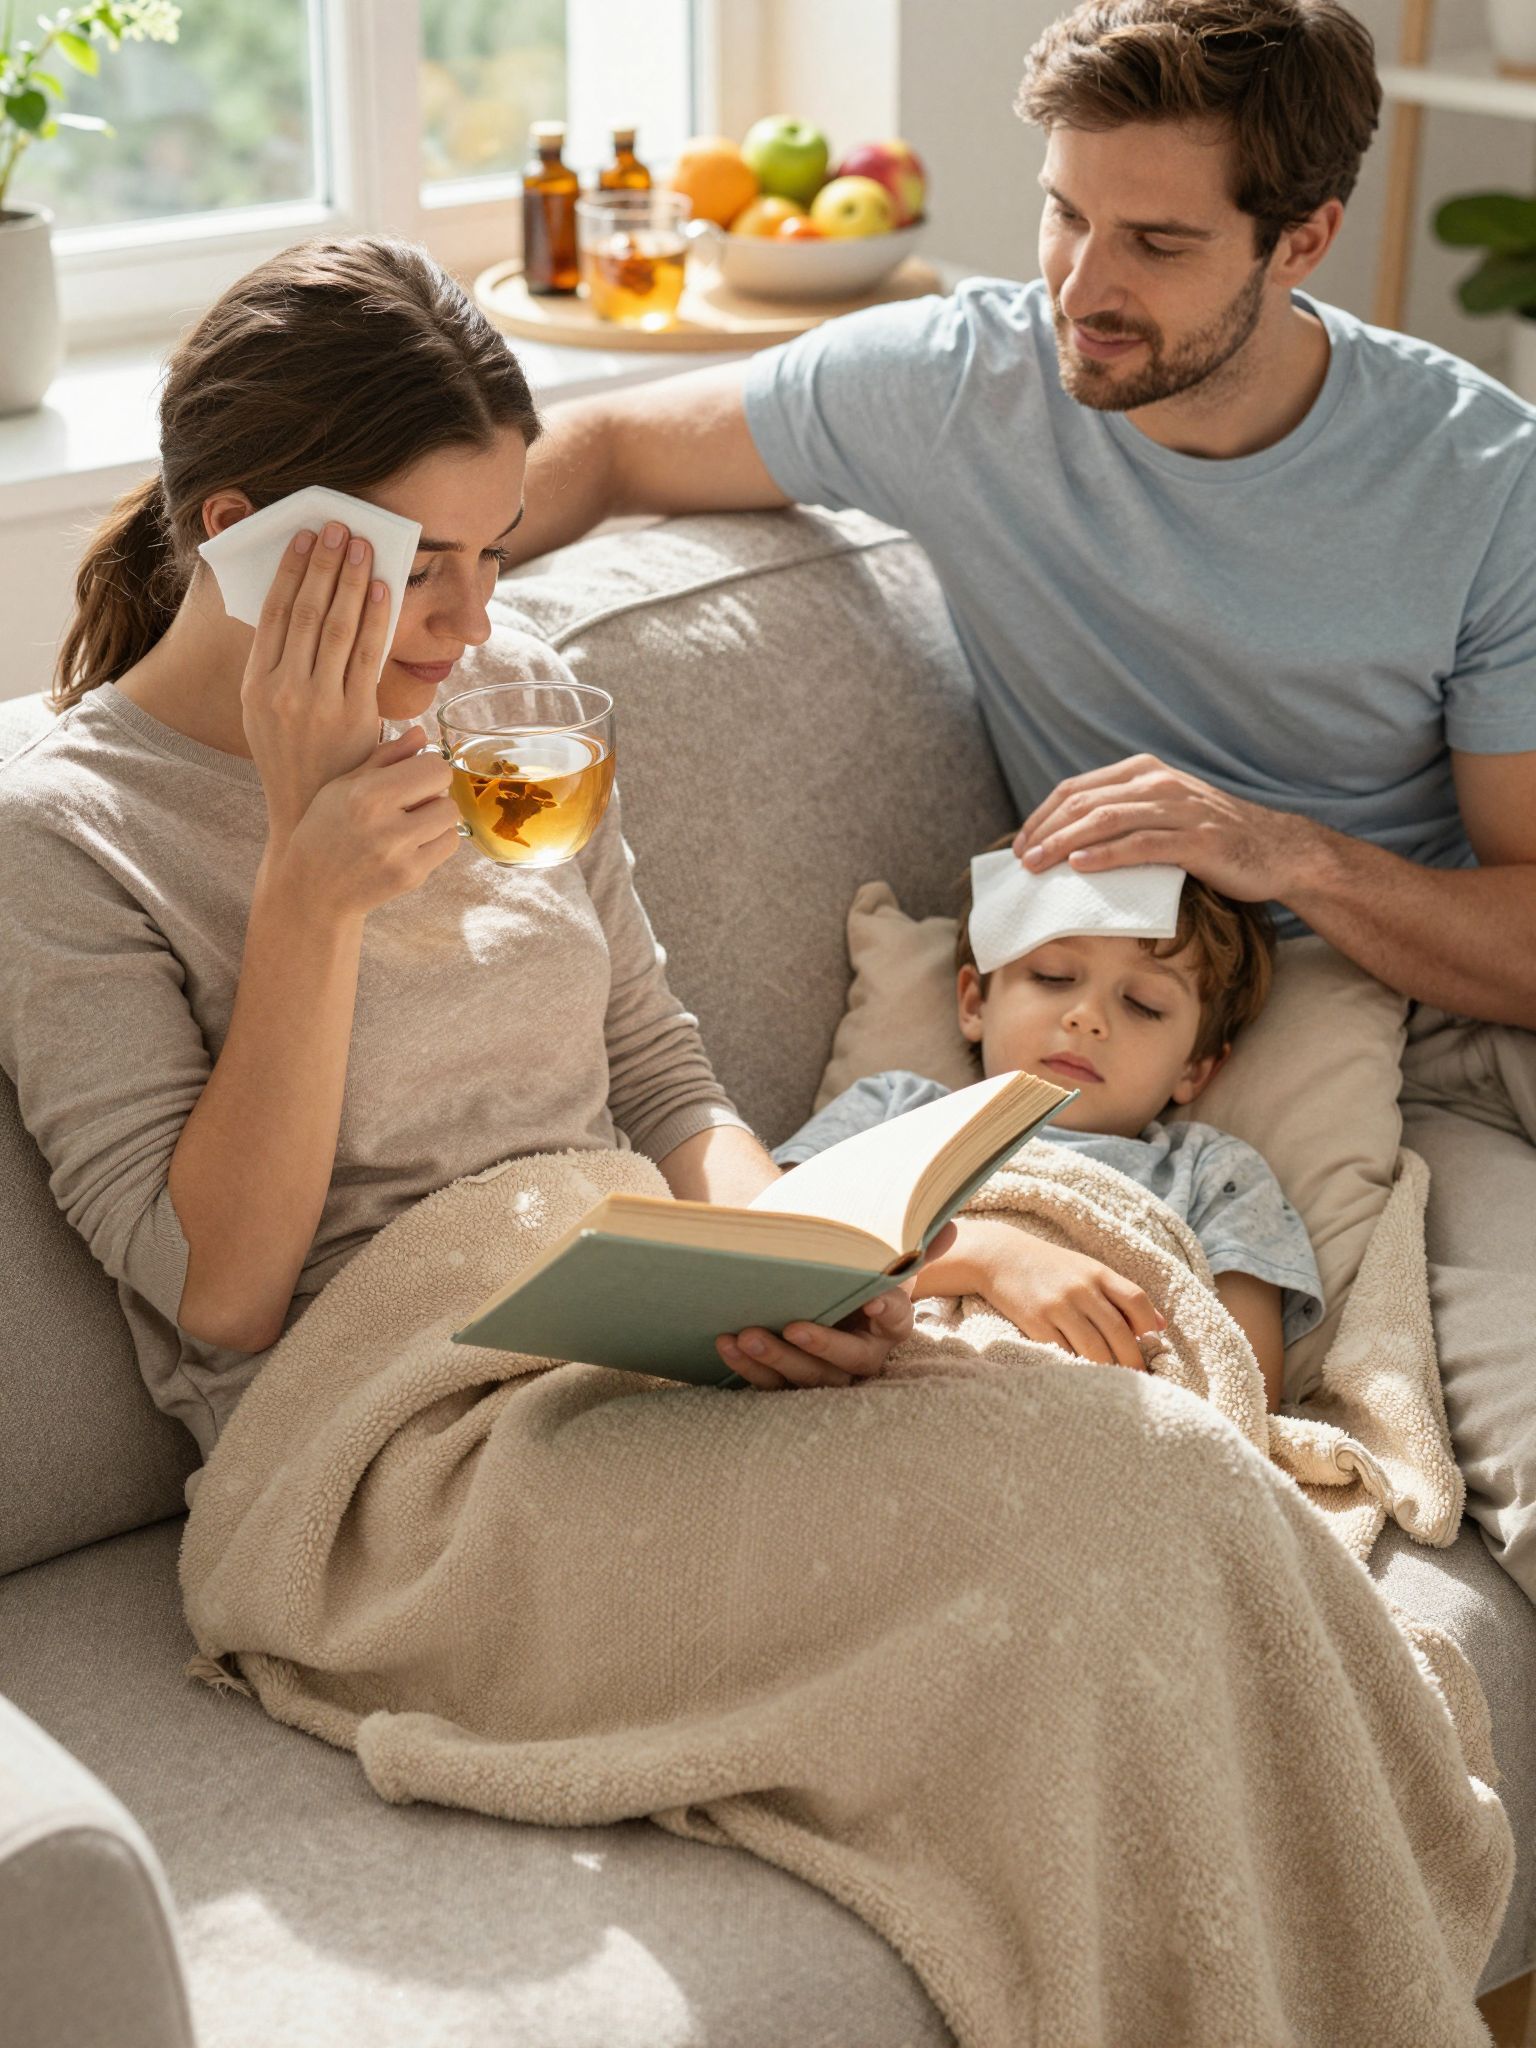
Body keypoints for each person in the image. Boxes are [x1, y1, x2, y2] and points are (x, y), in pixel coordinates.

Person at [500, 0, 1536, 1596]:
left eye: (1159, 242)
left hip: (1427, 1007)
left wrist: (1279, 852)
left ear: (1306, 239)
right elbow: (616, 446)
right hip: (1155, 1028)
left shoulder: (1480, 485)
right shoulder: (967, 379)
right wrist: (373, 602)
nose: (1082, 284)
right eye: (1064, 211)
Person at [0, 236, 941, 1473]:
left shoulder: (514, 704)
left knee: (1104, 1464)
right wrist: (308, 895)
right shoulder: (69, 835)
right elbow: (220, 1295)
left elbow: (656, 1074)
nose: (475, 619)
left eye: (493, 548)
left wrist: (799, 1263)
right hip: (380, 1443)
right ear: (241, 534)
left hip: (634, 1360)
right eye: (420, 566)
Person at [776, 858, 1319, 1409]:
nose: (1087, 1017)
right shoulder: (897, 1108)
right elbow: (770, 1247)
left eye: (1143, 1005)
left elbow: (1241, 1388)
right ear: (974, 1002)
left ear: (1195, 1068)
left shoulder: (1216, 1173)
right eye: (1053, 976)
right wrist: (989, 1259)